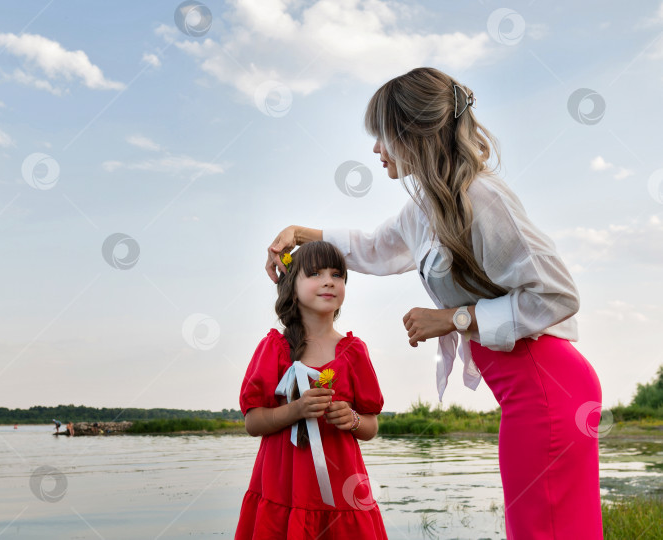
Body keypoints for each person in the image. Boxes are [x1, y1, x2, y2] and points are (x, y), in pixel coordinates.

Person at [265, 67, 603, 539]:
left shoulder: (481, 200)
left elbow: (559, 295)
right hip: (525, 389)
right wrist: (302, 233)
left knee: (543, 530)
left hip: (546, 386)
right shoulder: (426, 204)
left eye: (381, 136)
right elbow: (375, 245)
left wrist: (452, 319)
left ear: (411, 134)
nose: (376, 149)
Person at [236, 240, 387, 539]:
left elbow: (370, 426)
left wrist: (352, 419)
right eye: (315, 273)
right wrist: (297, 410)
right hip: (284, 488)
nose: (329, 281)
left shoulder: (354, 352)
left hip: (342, 488)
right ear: (292, 286)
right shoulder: (274, 349)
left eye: (337, 274)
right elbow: (253, 423)